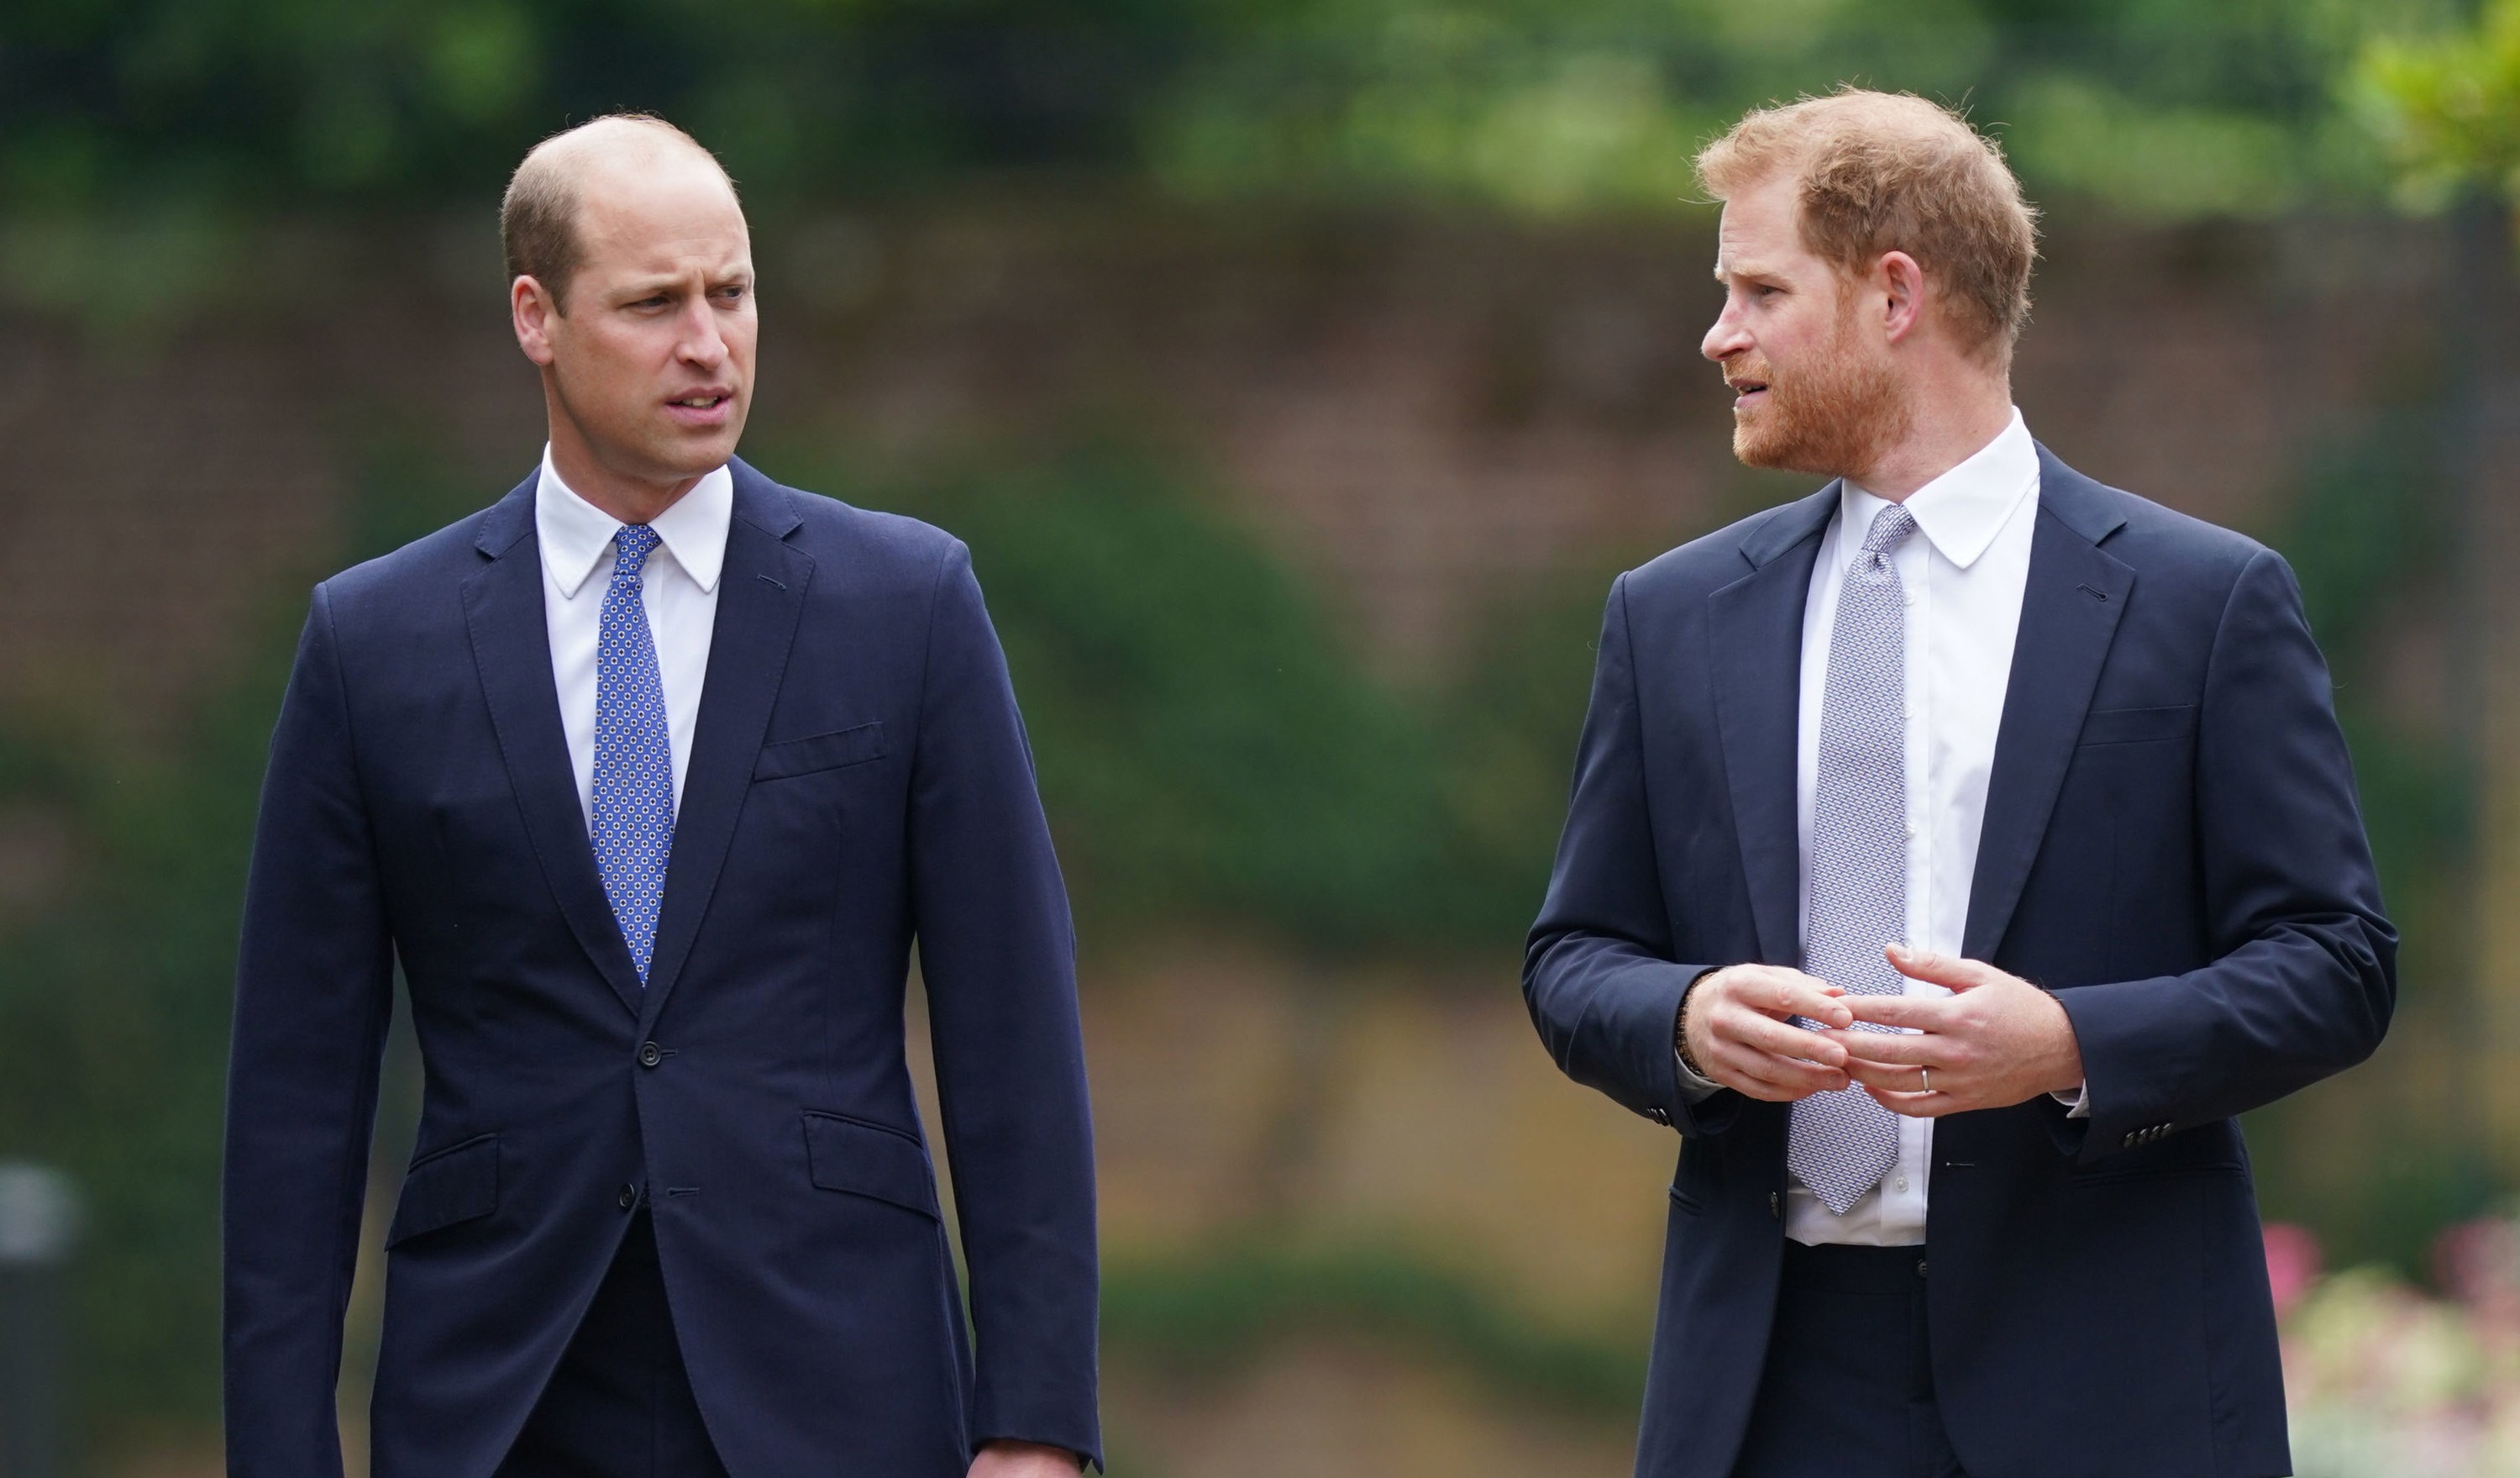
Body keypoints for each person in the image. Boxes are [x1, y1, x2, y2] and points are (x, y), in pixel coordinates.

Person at [1524, 90, 2394, 1478]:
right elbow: (1573, 958)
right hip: (1765, 1388)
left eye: (1758, 289)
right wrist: (1685, 1016)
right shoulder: (1670, 615)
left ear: (1895, 295)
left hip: (2116, 1385)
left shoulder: (2205, 603)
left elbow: (2339, 965)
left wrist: (2068, 1045)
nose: (1719, 335)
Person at [223, 114, 1098, 1478]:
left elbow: (1016, 1037)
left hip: (841, 1387)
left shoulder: (909, 605)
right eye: (653, 303)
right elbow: (294, 1097)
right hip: (498, 1399)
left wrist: (1036, 1427)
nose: (709, 344)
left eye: (733, 293)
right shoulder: (371, 643)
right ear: (538, 317)